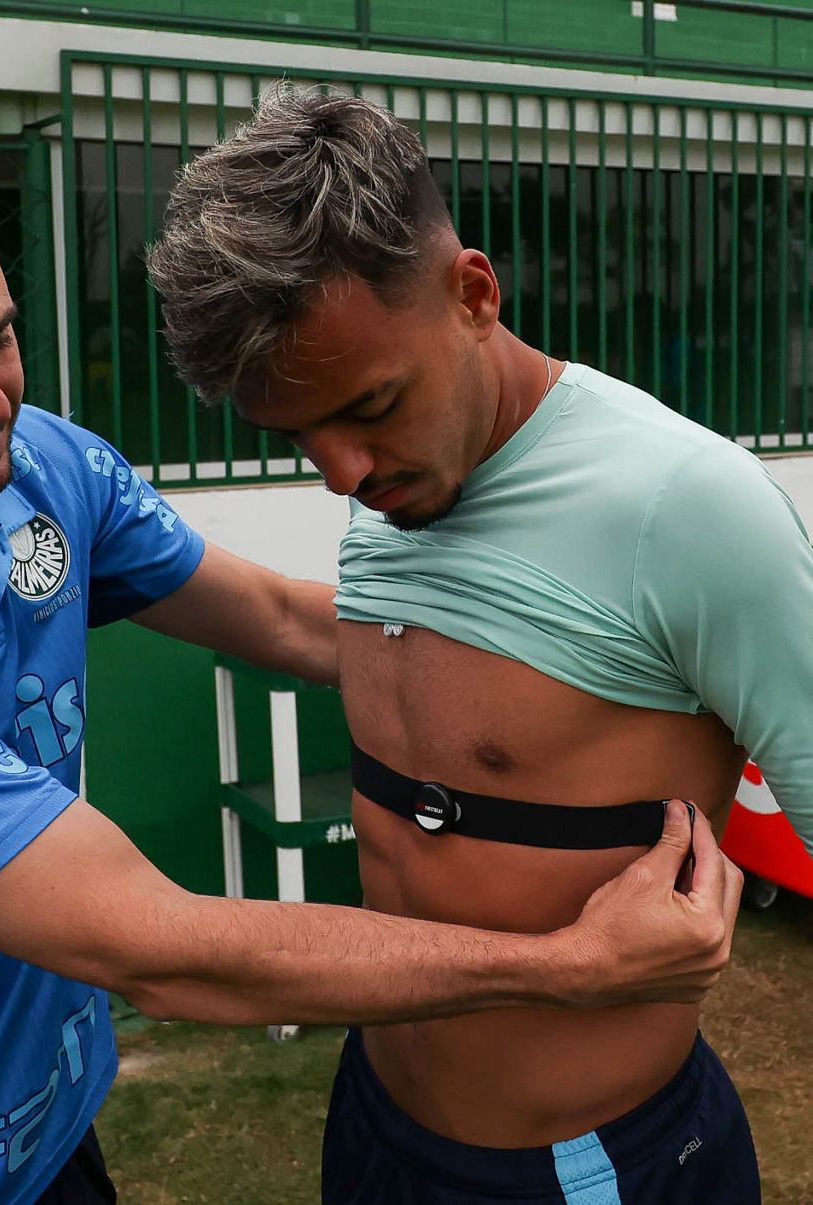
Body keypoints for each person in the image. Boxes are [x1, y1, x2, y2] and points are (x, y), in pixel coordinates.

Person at [0, 124, 740, 1205]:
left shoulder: (36, 468)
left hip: (32, 1137)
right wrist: (572, 964)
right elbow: (161, 951)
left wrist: (605, 653)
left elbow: (283, 619)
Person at [148, 87, 813, 1204]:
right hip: (373, 1121)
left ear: (472, 294)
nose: (340, 472)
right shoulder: (400, 480)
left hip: (582, 1163)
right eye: (297, 434)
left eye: (371, 406)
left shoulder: (689, 504)